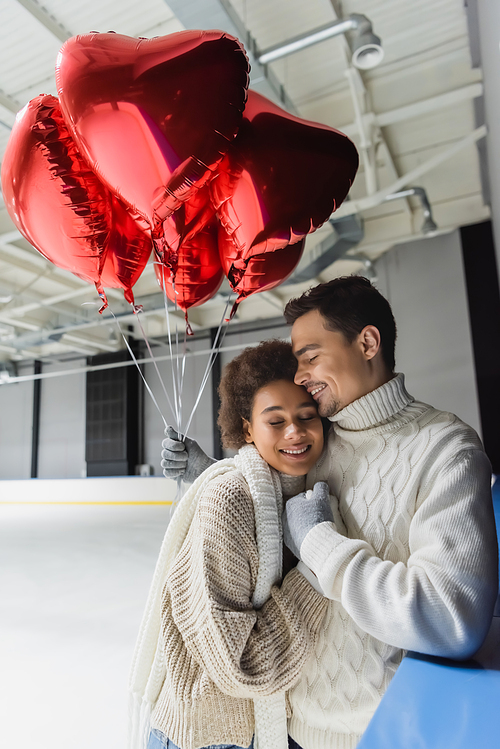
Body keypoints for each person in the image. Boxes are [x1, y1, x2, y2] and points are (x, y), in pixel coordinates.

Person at [161, 275, 499, 749]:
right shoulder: (321, 439)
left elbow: (451, 619)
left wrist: (322, 545)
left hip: (370, 735)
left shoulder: (445, 450)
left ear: (367, 342)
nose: (299, 376)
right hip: (284, 729)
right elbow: (266, 510)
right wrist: (213, 473)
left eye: (310, 356)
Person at [130, 339, 330, 749]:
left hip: (269, 727)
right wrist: (317, 568)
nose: (295, 430)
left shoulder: (310, 493)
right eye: (275, 421)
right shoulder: (231, 500)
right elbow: (239, 665)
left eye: (306, 415)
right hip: (206, 737)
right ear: (246, 429)